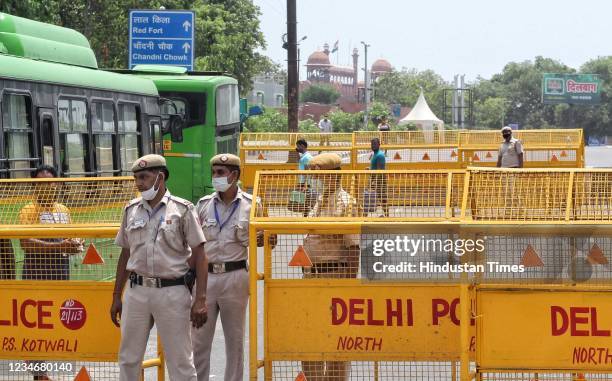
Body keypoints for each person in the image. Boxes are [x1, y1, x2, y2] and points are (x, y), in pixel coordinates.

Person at [110, 154, 208, 381]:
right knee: (128, 357)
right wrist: (117, 295)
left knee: (180, 361)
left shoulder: (182, 210)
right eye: (136, 178)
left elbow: (201, 254)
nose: (139, 183)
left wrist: (200, 299)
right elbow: (126, 253)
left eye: (144, 177)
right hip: (137, 291)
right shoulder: (131, 210)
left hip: (172, 292)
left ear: (160, 177)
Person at [192, 153, 274, 381]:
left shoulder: (252, 204)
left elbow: (270, 239)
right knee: (198, 340)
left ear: (234, 175)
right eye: (214, 172)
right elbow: (194, 245)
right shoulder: (203, 205)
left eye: (221, 173)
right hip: (206, 279)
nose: (215, 177)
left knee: (235, 341)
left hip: (236, 277)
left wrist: (265, 237)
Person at [19, 165, 83, 381]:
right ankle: (39, 373)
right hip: (37, 275)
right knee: (38, 324)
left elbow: (71, 237)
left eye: (50, 182)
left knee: (56, 322)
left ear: (58, 184)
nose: (46, 186)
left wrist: (76, 244)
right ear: (34, 186)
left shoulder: (64, 210)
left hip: (61, 273)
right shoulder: (28, 210)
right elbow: (26, 243)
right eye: (40, 183)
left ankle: (40, 365)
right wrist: (59, 247)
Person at [301, 153, 360, 381]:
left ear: (332, 175)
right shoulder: (319, 200)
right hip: (312, 278)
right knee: (311, 337)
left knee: (336, 340)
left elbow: (353, 247)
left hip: (334, 275)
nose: (315, 179)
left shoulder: (346, 203)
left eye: (319, 174)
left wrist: (349, 286)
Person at [369, 138, 389, 217]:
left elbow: (380, 170)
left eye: (375, 144)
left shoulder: (380, 155)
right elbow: (375, 167)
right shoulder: (374, 154)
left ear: (379, 145)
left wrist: (375, 181)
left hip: (379, 180)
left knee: (382, 198)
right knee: (374, 198)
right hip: (374, 179)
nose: (373, 146)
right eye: (372, 144)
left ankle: (387, 216)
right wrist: (369, 169)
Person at [295, 139, 314, 216]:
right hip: (303, 182)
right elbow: (300, 162)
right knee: (304, 200)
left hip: (306, 183)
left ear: (302, 146)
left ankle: (306, 215)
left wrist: (303, 185)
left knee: (306, 199)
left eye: (298, 146)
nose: (297, 148)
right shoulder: (304, 156)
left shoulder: (307, 157)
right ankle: (305, 215)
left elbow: (307, 171)